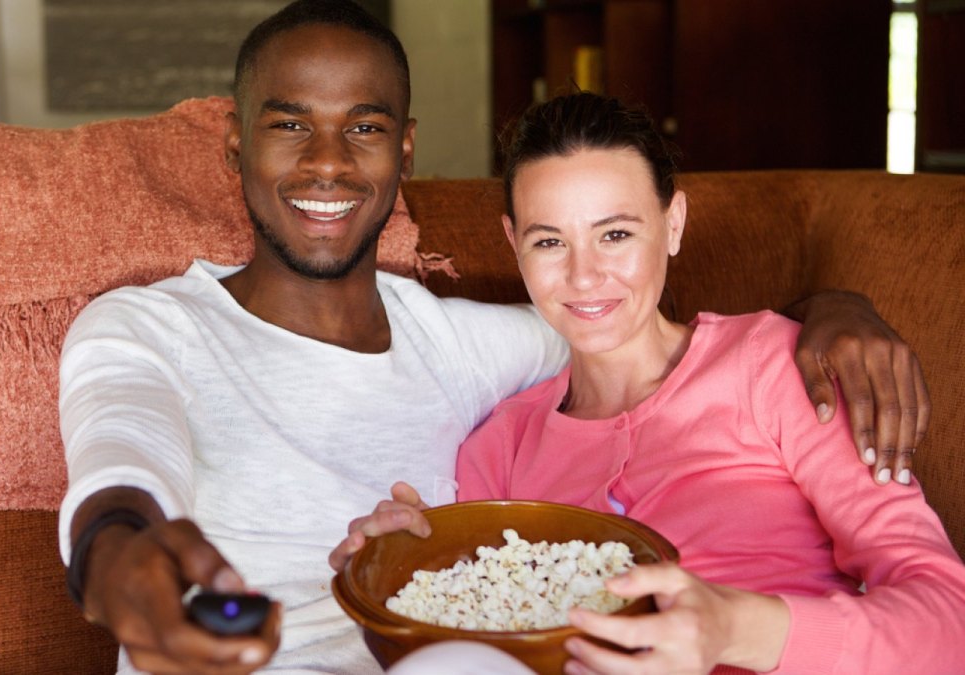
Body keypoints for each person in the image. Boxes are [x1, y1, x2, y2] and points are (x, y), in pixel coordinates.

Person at [58, 1, 930, 673]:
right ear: (234, 143)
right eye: (289, 124)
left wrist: (831, 306)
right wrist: (117, 552)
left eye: (361, 128)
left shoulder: (476, 348)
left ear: (404, 153)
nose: (325, 162)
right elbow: (121, 458)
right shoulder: (145, 329)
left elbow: (631, 336)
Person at [332, 92, 965, 674]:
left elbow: (949, 624)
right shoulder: (499, 449)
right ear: (514, 245)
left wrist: (733, 629)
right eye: (549, 241)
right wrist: (397, 568)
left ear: (675, 223)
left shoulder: (775, 368)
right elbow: (466, 642)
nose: (584, 277)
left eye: (615, 234)